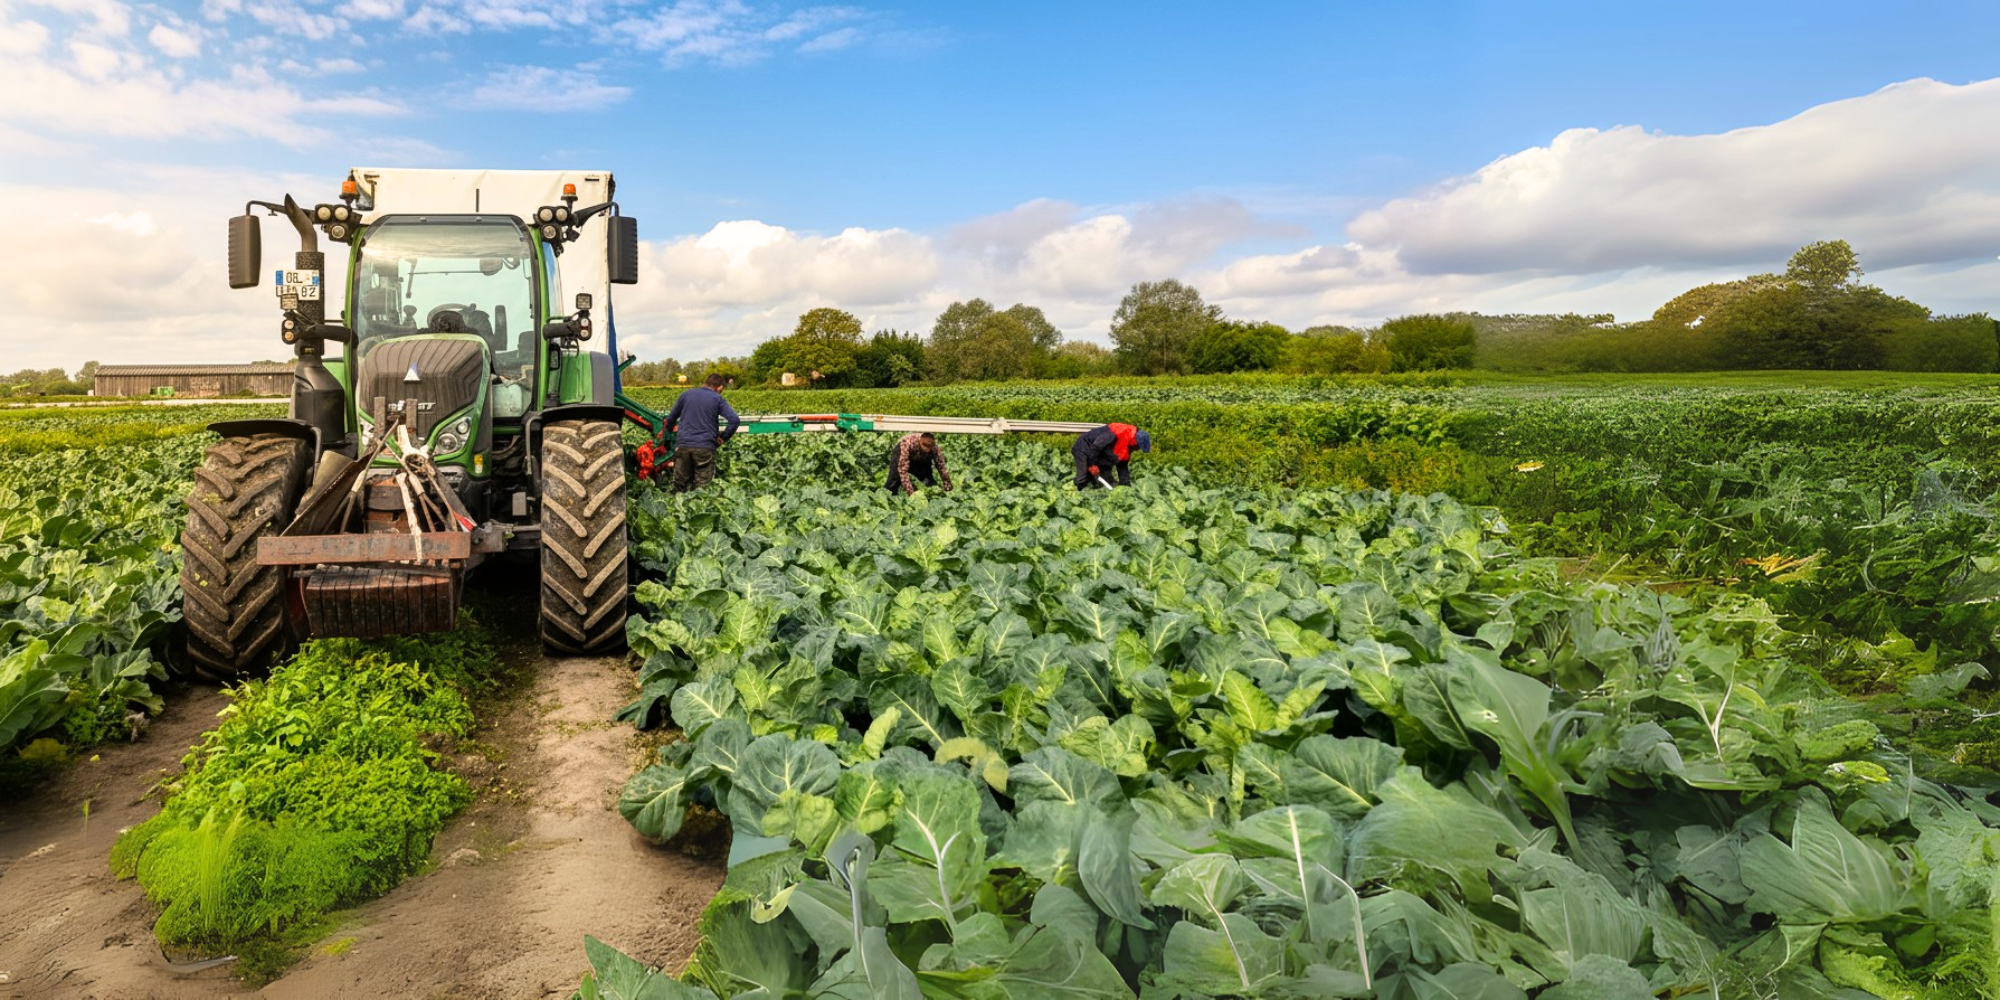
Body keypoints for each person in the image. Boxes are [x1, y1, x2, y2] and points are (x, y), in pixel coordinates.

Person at [663, 373, 741, 493]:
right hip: (705, 447)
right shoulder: (717, 398)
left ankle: (677, 509)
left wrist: (667, 436)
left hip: (683, 445)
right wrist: (723, 438)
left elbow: (671, 418)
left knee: (680, 486)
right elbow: (734, 420)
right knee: (702, 489)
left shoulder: (686, 395)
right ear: (719, 387)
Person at [1072, 423, 1151, 489]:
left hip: (1099, 453)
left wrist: (1126, 486)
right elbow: (1095, 448)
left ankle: (1093, 485)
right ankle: (1076, 492)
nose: (1137, 449)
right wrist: (1092, 465)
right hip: (1083, 447)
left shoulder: (1128, 444)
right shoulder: (1116, 433)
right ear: (1135, 442)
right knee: (1082, 477)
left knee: (1106, 481)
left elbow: (1122, 465)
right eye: (1138, 447)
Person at [884, 432, 953, 495]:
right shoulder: (907, 443)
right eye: (925, 445)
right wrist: (911, 494)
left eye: (929, 446)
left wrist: (948, 486)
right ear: (920, 442)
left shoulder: (935, 448)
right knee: (895, 476)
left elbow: (941, 467)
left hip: (920, 458)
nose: (927, 449)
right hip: (902, 450)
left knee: (926, 476)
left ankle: (930, 493)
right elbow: (902, 470)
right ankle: (889, 494)